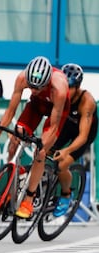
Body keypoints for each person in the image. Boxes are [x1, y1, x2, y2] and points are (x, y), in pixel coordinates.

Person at [0, 56, 70, 219]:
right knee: (15, 136)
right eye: (31, 87)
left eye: (37, 88)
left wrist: (43, 144)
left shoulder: (59, 88)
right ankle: (12, 189)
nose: (33, 90)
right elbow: (11, 110)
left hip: (56, 112)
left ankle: (29, 200)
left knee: (40, 152)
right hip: (36, 106)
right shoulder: (21, 78)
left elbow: (53, 125)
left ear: (47, 83)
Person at [50, 63, 98, 217]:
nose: (66, 91)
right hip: (68, 125)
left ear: (77, 87)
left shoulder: (87, 101)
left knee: (61, 164)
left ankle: (65, 194)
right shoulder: (60, 93)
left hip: (83, 134)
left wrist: (66, 150)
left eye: (69, 88)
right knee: (43, 151)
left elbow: (83, 136)